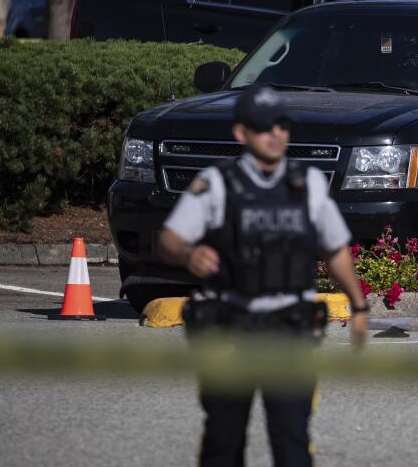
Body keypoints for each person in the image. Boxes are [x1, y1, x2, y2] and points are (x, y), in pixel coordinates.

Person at [157, 85, 369, 467]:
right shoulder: (217, 183)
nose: (276, 134)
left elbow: (334, 249)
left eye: (282, 126)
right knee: (223, 439)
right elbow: (169, 239)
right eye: (263, 127)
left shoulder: (309, 184)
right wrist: (189, 254)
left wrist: (359, 305)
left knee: (291, 438)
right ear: (241, 133)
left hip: (288, 328)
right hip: (230, 328)